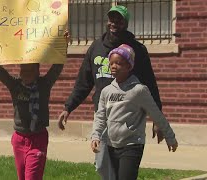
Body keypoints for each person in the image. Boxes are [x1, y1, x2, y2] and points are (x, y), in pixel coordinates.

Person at [57, 5, 164, 179]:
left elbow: (150, 84)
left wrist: (157, 118)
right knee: (102, 164)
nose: (114, 23)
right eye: (111, 19)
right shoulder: (96, 48)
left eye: (119, 19)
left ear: (126, 23)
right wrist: (68, 107)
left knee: (125, 167)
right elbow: (84, 82)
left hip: (129, 116)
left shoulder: (137, 50)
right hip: (103, 115)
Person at [0, 32, 69, 180]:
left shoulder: (44, 85)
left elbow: (57, 67)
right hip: (19, 139)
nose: (26, 73)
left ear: (37, 71)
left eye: (30, 70)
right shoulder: (15, 85)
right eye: (23, 70)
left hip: (37, 139)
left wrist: (64, 44)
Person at [91, 44, 178, 180]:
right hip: (111, 145)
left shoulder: (139, 90)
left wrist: (170, 137)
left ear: (129, 66)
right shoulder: (106, 91)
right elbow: (100, 116)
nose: (114, 66)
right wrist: (95, 136)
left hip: (132, 144)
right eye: (111, 63)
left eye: (119, 63)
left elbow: (156, 114)